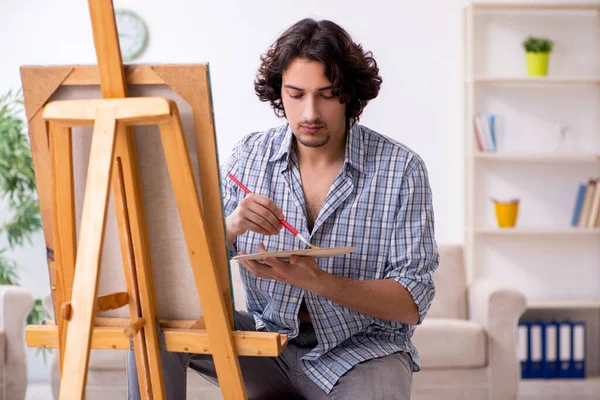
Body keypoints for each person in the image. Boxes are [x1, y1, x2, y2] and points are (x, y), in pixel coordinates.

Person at [127, 17, 439, 400]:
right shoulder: (249, 156)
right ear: (279, 93)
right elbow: (187, 267)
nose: (309, 113)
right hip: (264, 342)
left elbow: (412, 302)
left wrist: (318, 282)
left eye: (326, 94)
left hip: (362, 352)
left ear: (349, 94)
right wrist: (230, 227)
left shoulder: (401, 169)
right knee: (154, 328)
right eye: (296, 94)